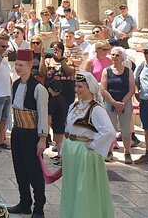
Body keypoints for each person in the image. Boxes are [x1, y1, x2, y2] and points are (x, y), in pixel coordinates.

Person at [60, 72, 115, 218]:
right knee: (71, 187)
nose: (76, 90)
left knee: (83, 190)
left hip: (84, 154)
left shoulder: (96, 109)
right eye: (76, 86)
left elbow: (109, 131)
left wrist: (93, 145)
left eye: (80, 86)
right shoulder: (74, 105)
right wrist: (63, 150)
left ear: (90, 88)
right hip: (71, 152)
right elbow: (68, 129)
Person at [6, 50, 48, 218]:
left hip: (32, 134)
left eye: (21, 65)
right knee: (20, 169)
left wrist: (42, 139)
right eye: (16, 65)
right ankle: (25, 202)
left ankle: (39, 208)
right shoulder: (15, 84)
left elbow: (43, 115)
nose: (17, 68)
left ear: (30, 66)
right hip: (18, 132)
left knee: (34, 172)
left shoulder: (39, 88)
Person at [100, 47, 135, 164]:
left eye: (117, 55)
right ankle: (109, 152)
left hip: (125, 103)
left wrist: (122, 104)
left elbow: (131, 90)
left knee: (125, 129)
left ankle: (127, 153)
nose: (114, 57)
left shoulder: (128, 71)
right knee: (110, 129)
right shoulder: (107, 71)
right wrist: (114, 103)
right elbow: (103, 89)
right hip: (110, 103)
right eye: (113, 55)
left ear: (122, 58)